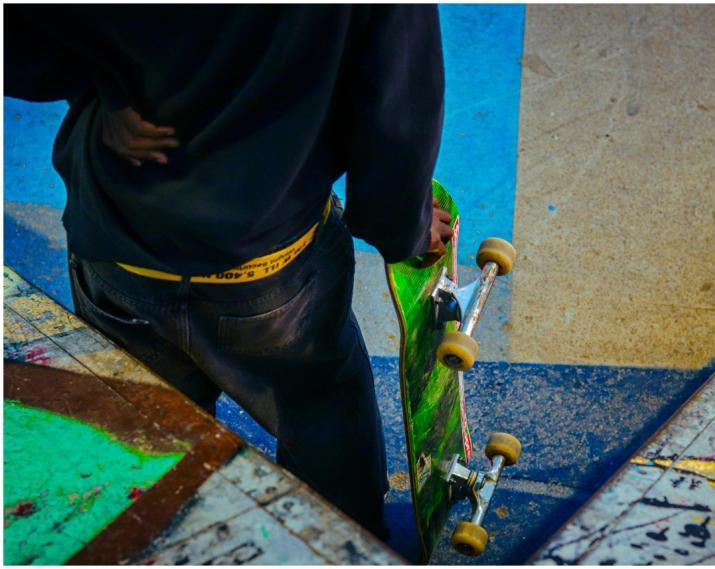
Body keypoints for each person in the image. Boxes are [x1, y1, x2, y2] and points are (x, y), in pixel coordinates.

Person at [5, 5, 454, 539]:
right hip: (271, 267)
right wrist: (402, 224)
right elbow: (395, 110)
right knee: (325, 422)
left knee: (145, 449)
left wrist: (102, 87)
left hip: (118, 241)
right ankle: (345, 543)